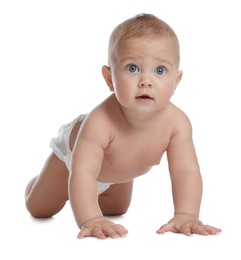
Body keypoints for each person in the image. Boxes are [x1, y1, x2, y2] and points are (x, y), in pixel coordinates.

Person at [25, 13, 221, 239]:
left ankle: (94, 194)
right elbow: (84, 171)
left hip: (117, 172)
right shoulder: (99, 122)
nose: (146, 80)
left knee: (116, 210)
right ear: (109, 79)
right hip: (72, 160)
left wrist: (186, 214)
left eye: (159, 70)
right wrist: (91, 219)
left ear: (176, 82)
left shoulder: (177, 124)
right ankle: (36, 182)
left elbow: (185, 171)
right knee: (39, 209)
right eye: (132, 68)